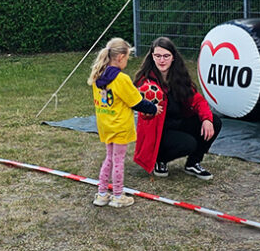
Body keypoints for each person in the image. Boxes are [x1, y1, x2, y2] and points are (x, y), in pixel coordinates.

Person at [133, 36, 221, 180]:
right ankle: (160, 159)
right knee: (188, 144)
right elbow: (138, 107)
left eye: (166, 56)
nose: (162, 60)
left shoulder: (180, 77)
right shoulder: (145, 82)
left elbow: (198, 100)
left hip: (178, 123)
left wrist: (206, 120)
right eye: (158, 56)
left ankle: (193, 163)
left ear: (173, 57)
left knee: (215, 121)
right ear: (152, 57)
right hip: (158, 131)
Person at [88, 37, 160, 208]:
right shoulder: (121, 79)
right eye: (127, 58)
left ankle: (102, 194)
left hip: (106, 125)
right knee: (118, 160)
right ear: (120, 57)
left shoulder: (98, 75)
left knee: (109, 159)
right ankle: (118, 196)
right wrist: (153, 109)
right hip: (119, 127)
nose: (127, 61)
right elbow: (136, 102)